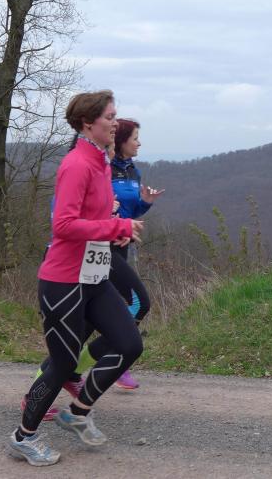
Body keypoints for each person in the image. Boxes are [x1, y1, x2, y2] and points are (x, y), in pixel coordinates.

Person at [8, 90, 144, 466]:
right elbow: (64, 225)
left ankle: (78, 412)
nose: (115, 123)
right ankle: (23, 437)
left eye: (115, 116)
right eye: (109, 117)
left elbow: (91, 219)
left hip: (93, 276)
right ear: (87, 123)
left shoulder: (100, 161)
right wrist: (116, 225)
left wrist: (113, 232)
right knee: (63, 363)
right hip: (63, 281)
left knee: (129, 343)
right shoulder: (77, 164)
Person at [108, 117, 164, 389]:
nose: (139, 143)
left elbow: (130, 211)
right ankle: (114, 360)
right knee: (136, 302)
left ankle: (71, 368)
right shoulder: (104, 168)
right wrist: (112, 225)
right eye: (135, 138)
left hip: (122, 246)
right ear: (121, 141)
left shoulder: (133, 171)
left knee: (116, 306)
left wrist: (145, 203)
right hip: (101, 245)